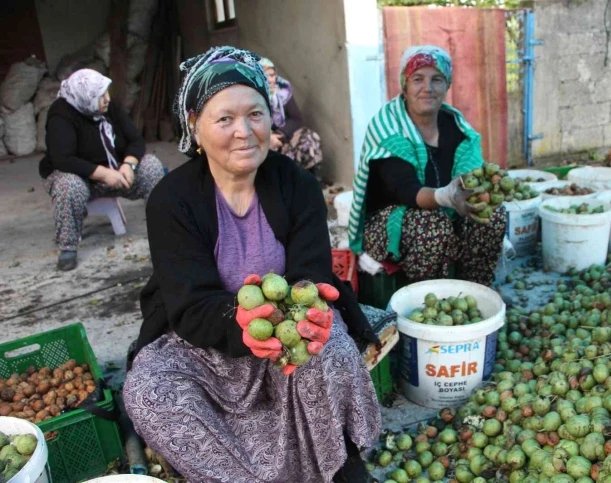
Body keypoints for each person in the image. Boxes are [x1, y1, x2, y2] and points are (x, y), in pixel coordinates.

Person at [123, 47, 380, 483]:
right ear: (195, 126)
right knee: (149, 393)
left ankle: (339, 465)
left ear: (270, 117)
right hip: (203, 342)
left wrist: (311, 311)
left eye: (255, 114)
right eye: (224, 119)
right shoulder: (172, 199)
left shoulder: (296, 184)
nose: (244, 132)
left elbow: (311, 272)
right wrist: (241, 321)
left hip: (284, 334)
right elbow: (189, 304)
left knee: (332, 351)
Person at [348, 45, 506, 285]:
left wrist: (481, 192)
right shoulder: (387, 128)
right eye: (418, 79)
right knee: (431, 224)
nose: (427, 88)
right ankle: (431, 302)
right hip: (388, 222)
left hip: (444, 212)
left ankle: (475, 291)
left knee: (491, 215)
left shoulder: (455, 125)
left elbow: (469, 175)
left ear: (447, 85)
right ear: (405, 84)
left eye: (437, 79)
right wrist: (446, 196)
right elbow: (406, 190)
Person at [39, 69, 164, 271]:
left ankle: (166, 233)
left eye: (106, 93)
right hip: (83, 179)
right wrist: (104, 174)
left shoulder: (109, 107)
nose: (107, 99)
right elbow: (63, 159)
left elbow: (135, 140)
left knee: (152, 166)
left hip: (118, 173)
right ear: (85, 96)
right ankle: (68, 247)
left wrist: (128, 165)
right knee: (68, 185)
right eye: (100, 96)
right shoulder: (61, 114)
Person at [258, 57, 323, 173]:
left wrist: (280, 135)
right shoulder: (250, 97)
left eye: (272, 75)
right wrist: (268, 138)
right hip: (261, 141)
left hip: (282, 137)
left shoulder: (283, 90)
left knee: (309, 138)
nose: (271, 80)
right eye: (265, 77)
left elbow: (296, 118)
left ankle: (308, 181)